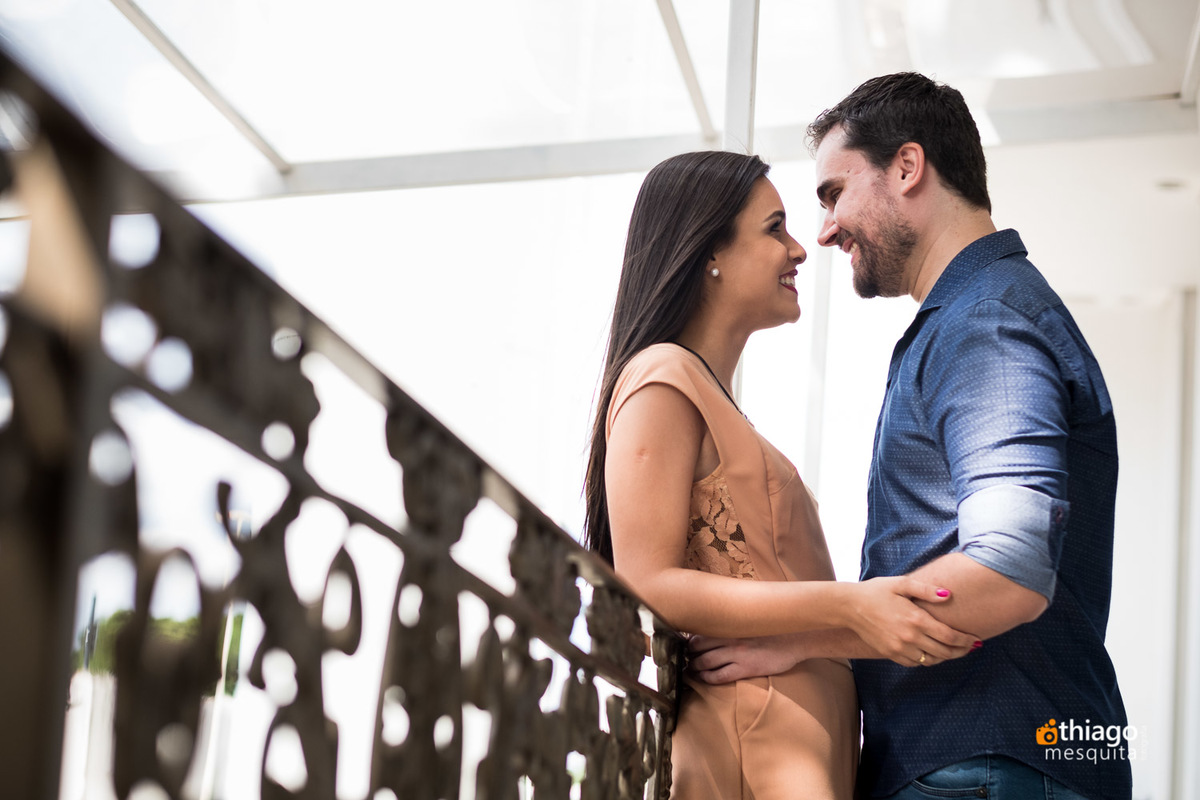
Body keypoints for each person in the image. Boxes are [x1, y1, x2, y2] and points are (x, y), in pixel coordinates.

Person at [687, 73, 1132, 800]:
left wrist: (802, 637)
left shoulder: (985, 324)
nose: (823, 229)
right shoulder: (979, 316)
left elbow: (1010, 565)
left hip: (983, 765)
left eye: (833, 193)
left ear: (906, 167)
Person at [583, 150, 979, 800]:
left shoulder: (713, 402)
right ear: (708, 250)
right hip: (754, 745)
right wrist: (852, 605)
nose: (800, 249)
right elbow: (646, 580)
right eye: (774, 227)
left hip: (794, 743)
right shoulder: (662, 376)